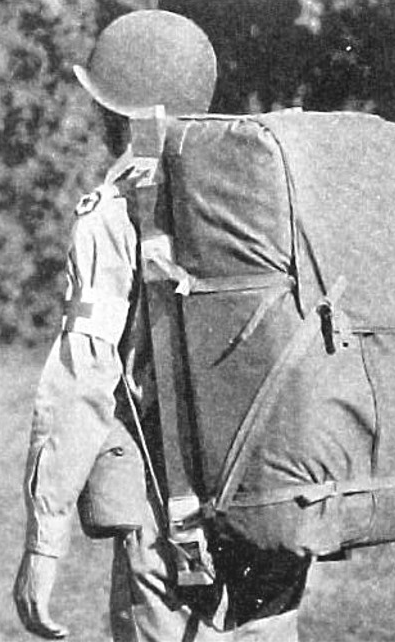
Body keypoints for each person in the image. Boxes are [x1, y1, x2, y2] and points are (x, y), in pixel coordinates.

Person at [13, 9, 309, 642]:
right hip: (274, 509)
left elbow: (82, 381)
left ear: (116, 107)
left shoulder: (114, 211)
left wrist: (43, 545)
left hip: (171, 523)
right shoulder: (263, 202)